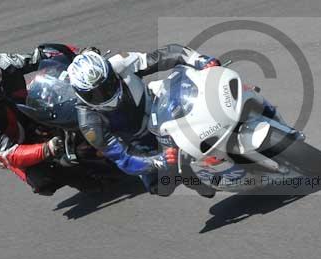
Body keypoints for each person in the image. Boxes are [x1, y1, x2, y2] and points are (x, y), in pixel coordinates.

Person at [67, 44, 220, 196]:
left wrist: (199, 60)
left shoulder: (120, 62)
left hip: (159, 104)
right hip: (139, 144)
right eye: (95, 94)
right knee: (162, 186)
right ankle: (196, 180)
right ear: (80, 94)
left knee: (200, 88)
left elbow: (163, 55)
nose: (105, 94)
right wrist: (158, 160)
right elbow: (123, 158)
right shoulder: (90, 125)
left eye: (107, 85)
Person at [0, 46, 89, 196]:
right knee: (43, 181)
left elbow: (39, 56)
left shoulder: (3, 62)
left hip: (29, 108)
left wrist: (78, 55)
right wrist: (46, 149)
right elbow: (7, 153)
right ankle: (83, 177)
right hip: (16, 142)